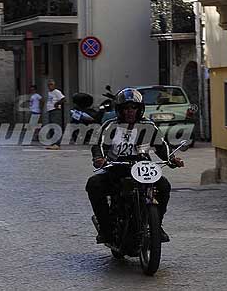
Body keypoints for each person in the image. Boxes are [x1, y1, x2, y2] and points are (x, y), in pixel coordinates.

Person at [85, 88, 184, 244]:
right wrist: (99, 158)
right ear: (120, 110)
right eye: (126, 108)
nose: (130, 111)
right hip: (116, 168)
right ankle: (106, 229)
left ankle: (156, 225)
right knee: (94, 184)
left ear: (140, 109)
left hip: (142, 167)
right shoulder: (110, 126)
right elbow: (99, 144)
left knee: (163, 185)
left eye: (134, 107)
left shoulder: (148, 125)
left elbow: (161, 145)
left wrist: (172, 159)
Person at [45, 79, 65, 150]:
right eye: (49, 85)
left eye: (51, 84)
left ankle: (57, 144)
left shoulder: (56, 92)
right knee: (52, 127)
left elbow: (63, 99)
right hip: (50, 111)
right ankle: (53, 143)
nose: (50, 86)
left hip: (55, 111)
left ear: (54, 85)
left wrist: (57, 103)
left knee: (56, 127)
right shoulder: (49, 93)